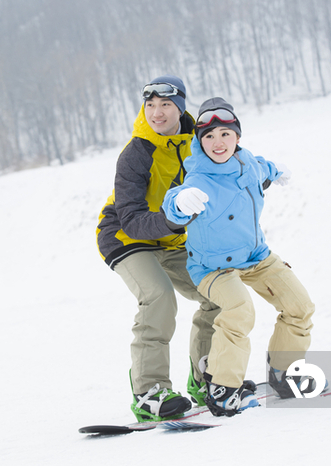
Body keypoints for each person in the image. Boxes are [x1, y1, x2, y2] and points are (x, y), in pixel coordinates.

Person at [161, 97, 317, 417]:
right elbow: (173, 202)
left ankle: (283, 374)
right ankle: (221, 386)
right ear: (200, 142)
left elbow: (263, 167)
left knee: (300, 306)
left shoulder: (249, 165)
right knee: (239, 311)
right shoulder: (198, 179)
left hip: (256, 256)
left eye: (225, 134)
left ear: (237, 137)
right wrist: (179, 202)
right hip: (213, 266)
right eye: (209, 136)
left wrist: (278, 170)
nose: (218, 143)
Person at [96, 76, 221, 422]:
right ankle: (149, 392)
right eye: (150, 105)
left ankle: (206, 377)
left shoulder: (198, 143)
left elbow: (227, 175)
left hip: (171, 237)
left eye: (165, 105)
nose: (157, 112)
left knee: (219, 294)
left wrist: (259, 177)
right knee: (159, 297)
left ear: (180, 108)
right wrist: (175, 218)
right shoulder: (136, 153)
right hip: (125, 237)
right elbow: (132, 219)